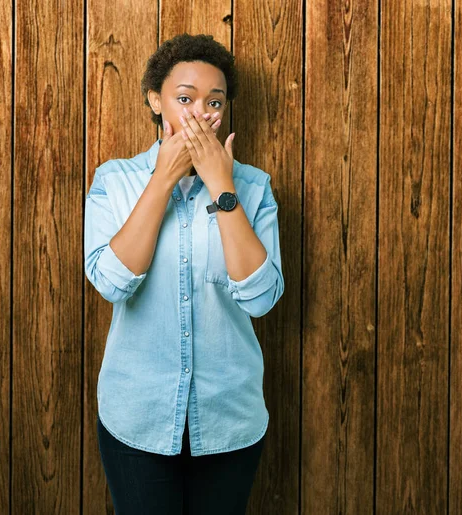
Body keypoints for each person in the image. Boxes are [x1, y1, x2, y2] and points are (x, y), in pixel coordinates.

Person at [84, 33, 284, 514]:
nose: (201, 113)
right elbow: (112, 281)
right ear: (156, 102)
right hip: (137, 417)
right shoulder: (115, 181)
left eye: (214, 101)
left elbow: (260, 298)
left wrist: (221, 185)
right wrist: (164, 178)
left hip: (229, 420)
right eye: (184, 98)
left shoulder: (253, 188)